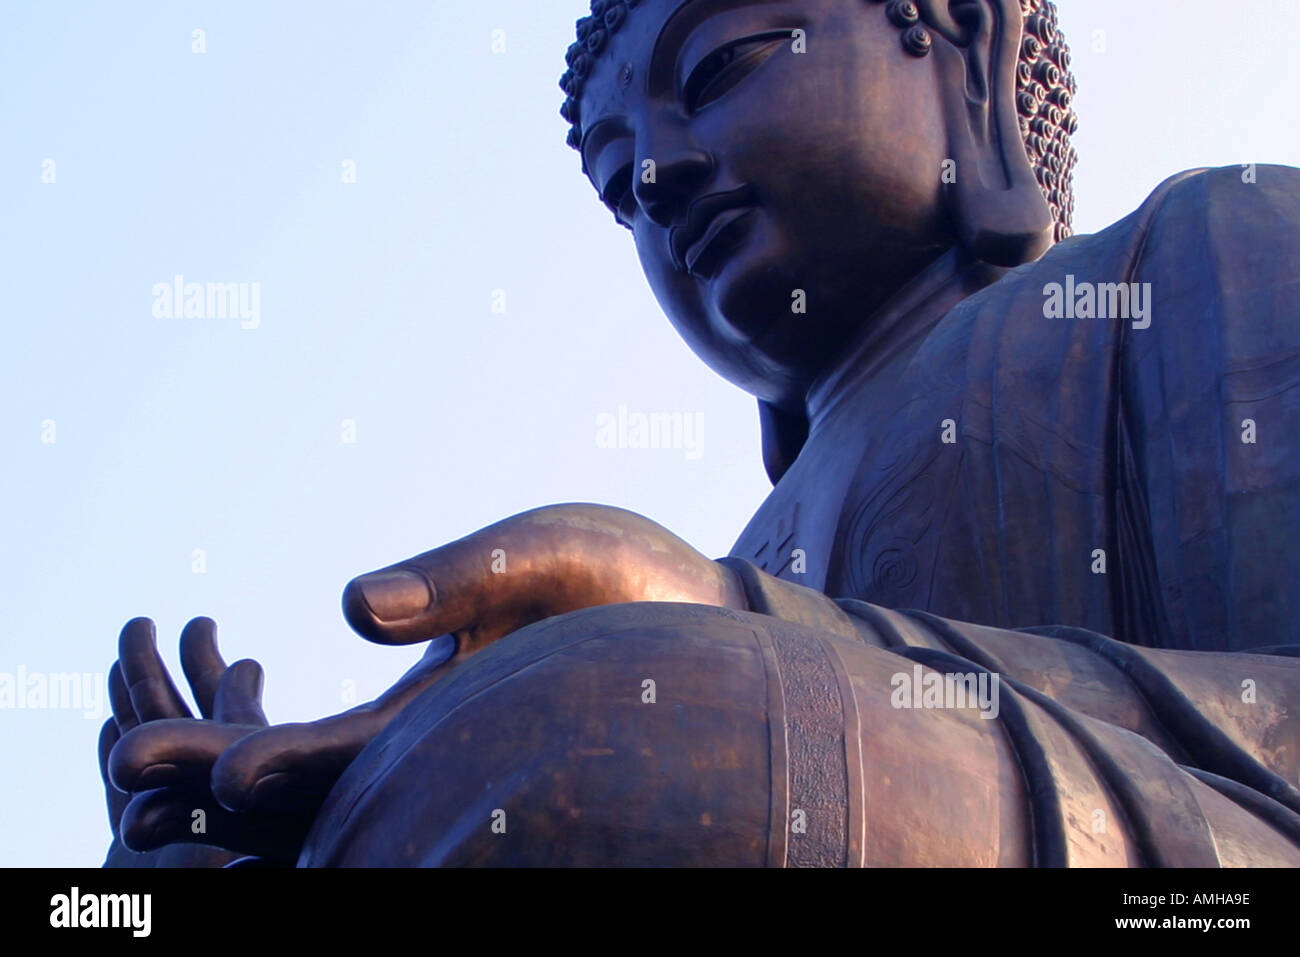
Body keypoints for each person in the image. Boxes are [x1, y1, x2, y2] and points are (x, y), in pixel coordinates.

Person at [101, 0, 1300, 866]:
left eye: (723, 66)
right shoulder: (718, 564)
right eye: (620, 182)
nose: (664, 175)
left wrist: (735, 630)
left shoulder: (1200, 252)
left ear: (967, 46)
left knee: (619, 731)